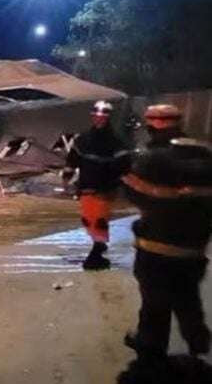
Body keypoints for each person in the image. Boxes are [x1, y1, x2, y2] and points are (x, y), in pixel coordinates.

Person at [122, 104, 212, 363]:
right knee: (187, 297)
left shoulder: (152, 158)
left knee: (154, 302)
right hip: (194, 246)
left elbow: (131, 193)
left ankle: (150, 349)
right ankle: (198, 342)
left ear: (153, 125)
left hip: (156, 246)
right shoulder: (206, 156)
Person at [62, 100, 131, 270]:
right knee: (88, 219)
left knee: (99, 220)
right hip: (86, 185)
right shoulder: (83, 140)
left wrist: (125, 182)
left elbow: (124, 164)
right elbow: (72, 159)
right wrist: (67, 175)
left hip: (106, 187)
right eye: (96, 116)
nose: (99, 120)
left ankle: (97, 252)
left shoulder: (116, 142)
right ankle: (98, 245)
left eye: (103, 117)